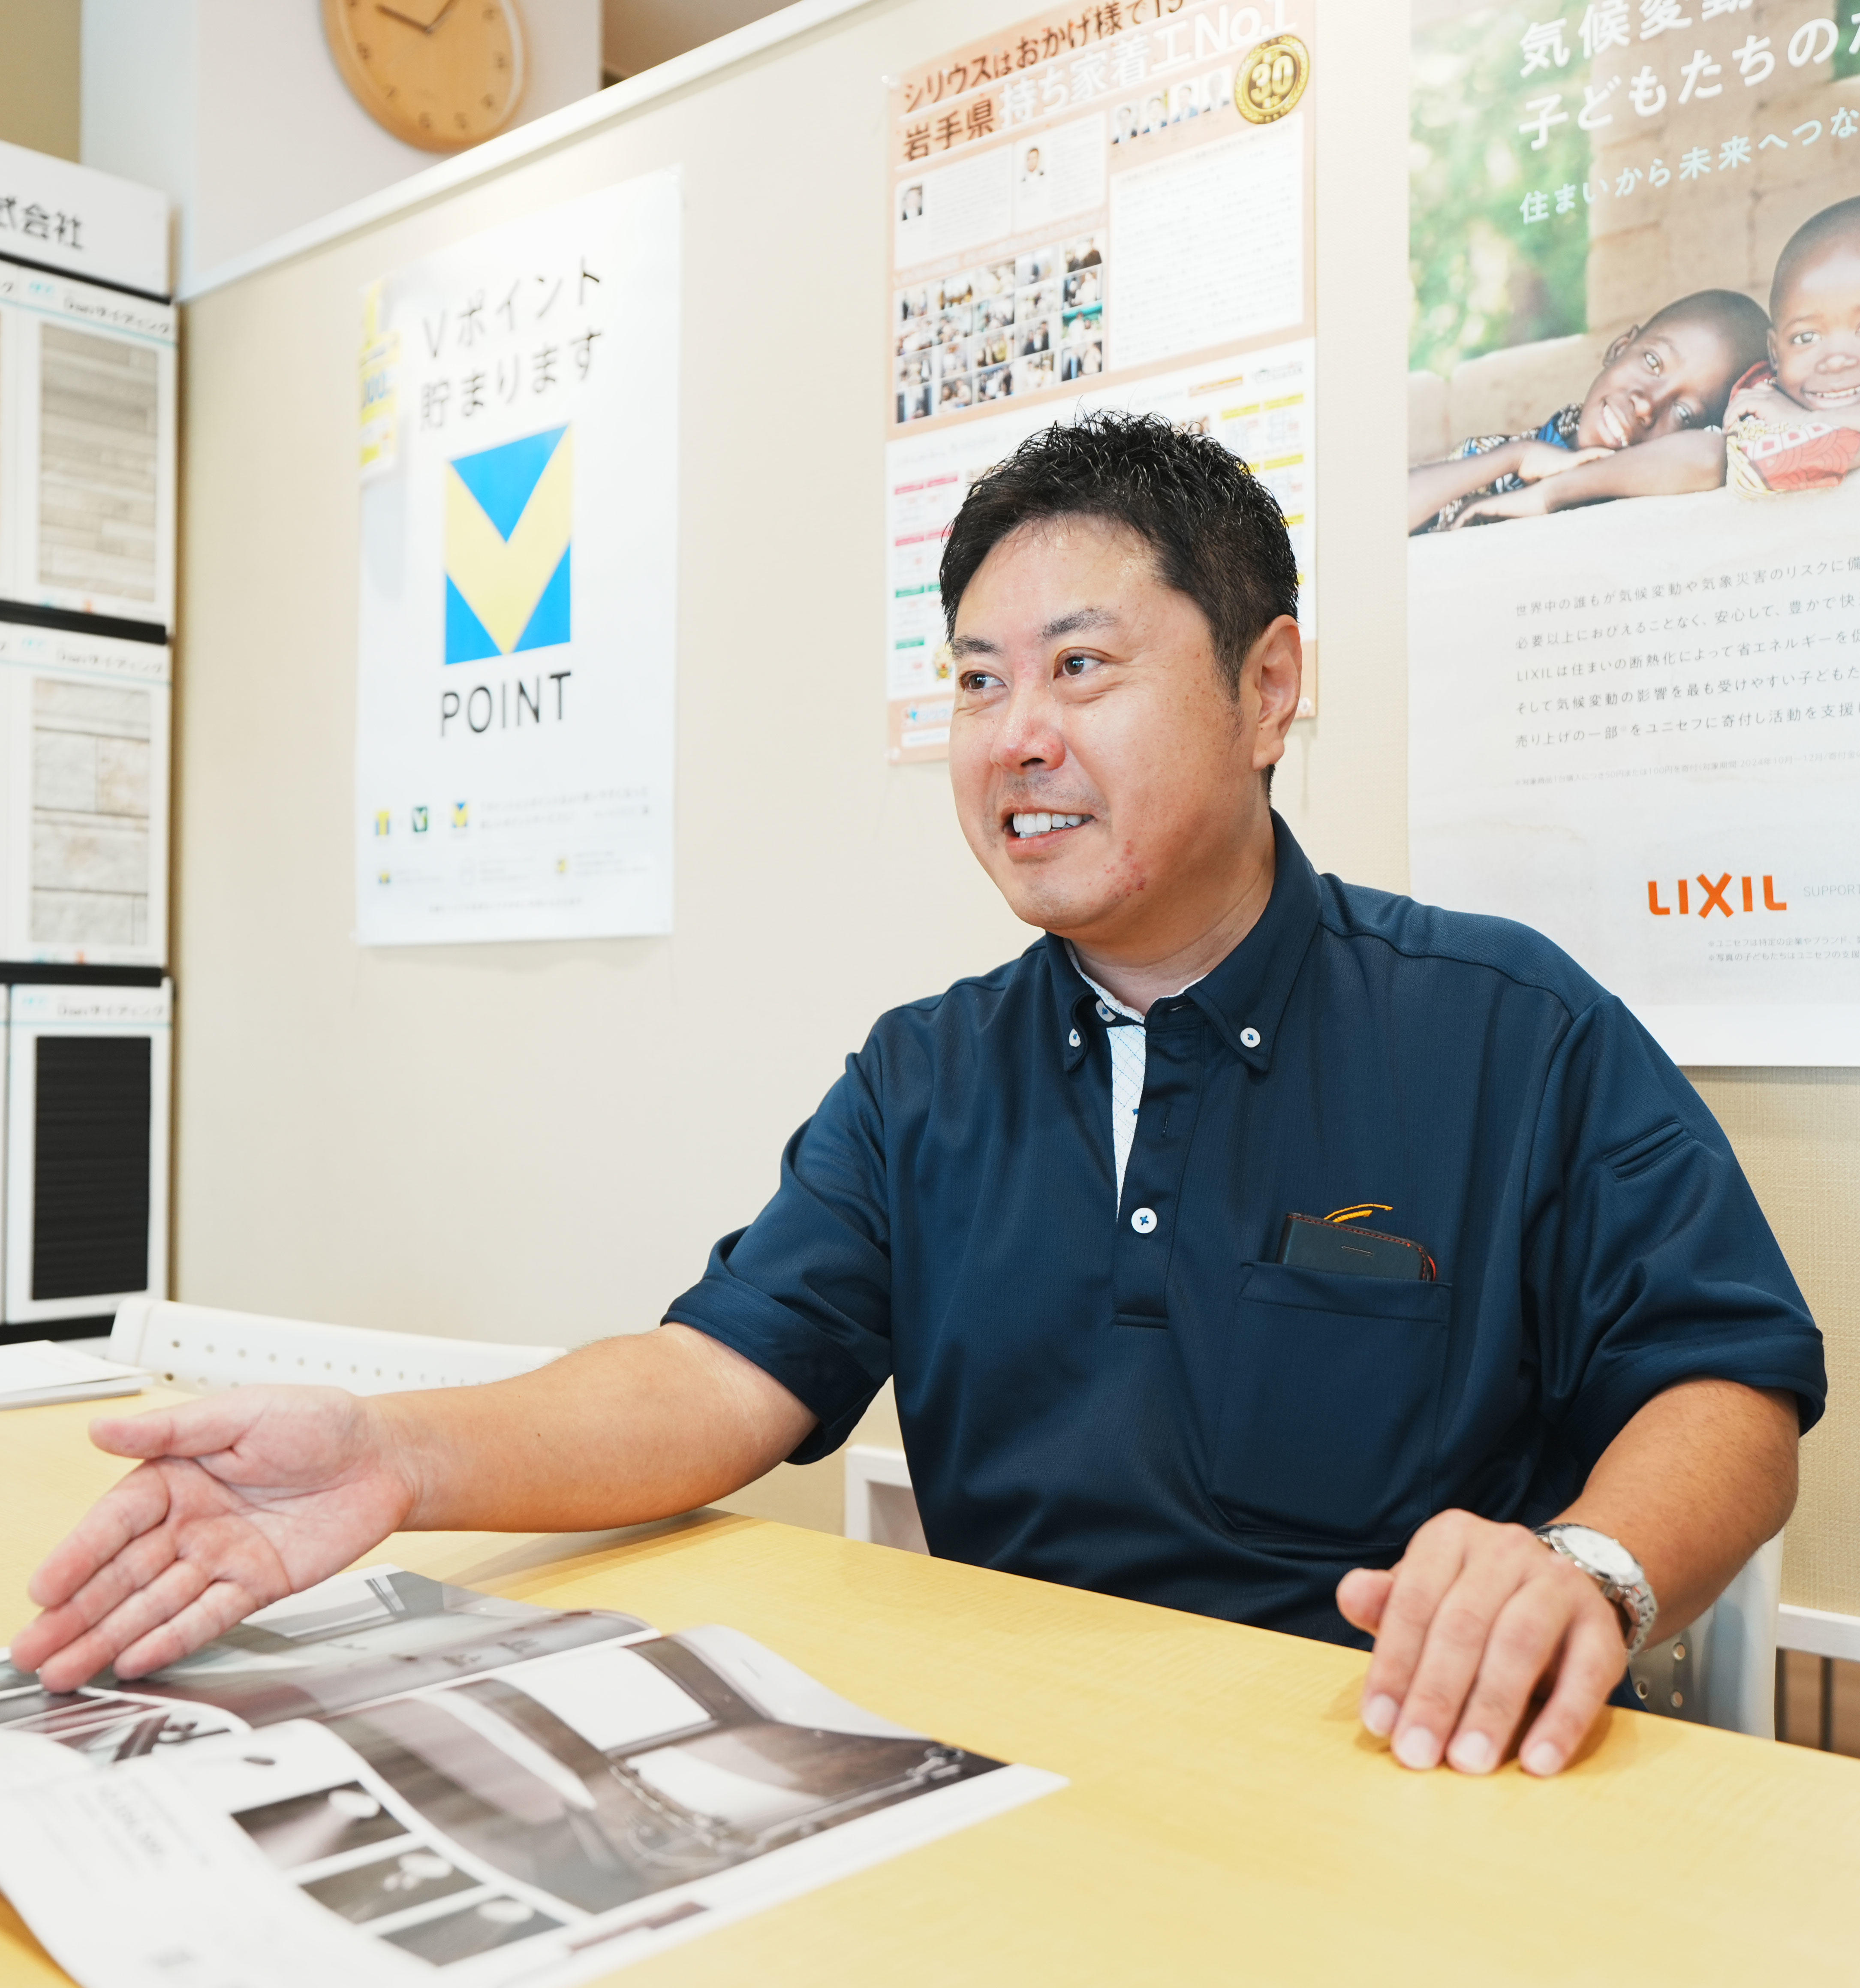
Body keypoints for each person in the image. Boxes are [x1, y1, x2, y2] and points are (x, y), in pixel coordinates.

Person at [13, 416, 1821, 1786]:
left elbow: (1723, 1382)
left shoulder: (1501, 1023)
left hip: (1385, 1758)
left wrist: (1584, 1564)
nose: (1013, 732)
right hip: (1010, 1774)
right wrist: (397, 1456)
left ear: (1267, 687)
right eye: (975, 680)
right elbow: (713, 1378)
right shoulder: (924, 1073)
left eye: (1080, 666)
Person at [1408, 289, 1771, 532]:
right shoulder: (1506, 460)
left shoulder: (1660, 481)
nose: (1647, 405)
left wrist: (1551, 494)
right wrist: (1516, 456)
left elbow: (1711, 457)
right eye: (1652, 362)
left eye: (1685, 413)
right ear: (1619, 348)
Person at [1723, 197, 1860, 495]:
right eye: (1805, 338)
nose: (1837, 361)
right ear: (1775, 354)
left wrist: (1808, 422)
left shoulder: (1792, 413)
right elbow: (1761, 467)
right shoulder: (1765, 399)